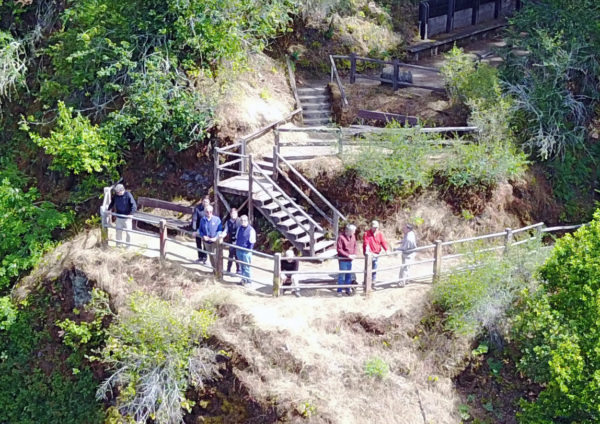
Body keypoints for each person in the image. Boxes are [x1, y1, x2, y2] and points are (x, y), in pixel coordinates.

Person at [363, 220, 390, 284]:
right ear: (371, 227)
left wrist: (386, 250)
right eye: (374, 227)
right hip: (369, 254)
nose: (376, 228)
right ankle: (366, 282)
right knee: (368, 268)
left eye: (377, 227)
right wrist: (368, 252)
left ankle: (373, 280)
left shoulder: (379, 234)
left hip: (376, 253)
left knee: (374, 267)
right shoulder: (367, 234)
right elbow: (366, 243)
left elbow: (383, 242)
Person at [198, 205, 223, 269]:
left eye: (210, 211)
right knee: (211, 257)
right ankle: (214, 270)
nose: (209, 213)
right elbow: (200, 230)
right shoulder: (202, 220)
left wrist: (215, 237)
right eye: (207, 212)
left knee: (215, 256)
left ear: (212, 212)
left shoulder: (217, 220)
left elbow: (220, 230)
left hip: (214, 241)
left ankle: (218, 271)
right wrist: (203, 236)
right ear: (205, 212)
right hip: (206, 242)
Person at [336, 224, 357, 296]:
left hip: (350, 260)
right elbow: (339, 249)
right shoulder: (341, 237)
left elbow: (355, 245)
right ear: (349, 231)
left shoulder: (353, 236)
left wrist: (354, 254)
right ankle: (339, 291)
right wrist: (348, 255)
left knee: (349, 275)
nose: (354, 233)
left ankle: (348, 290)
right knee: (342, 275)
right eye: (353, 231)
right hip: (343, 260)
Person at [235, 215, 256, 285]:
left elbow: (252, 242)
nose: (243, 222)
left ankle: (249, 281)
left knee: (247, 267)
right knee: (242, 266)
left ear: (248, 221)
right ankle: (244, 280)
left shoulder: (251, 230)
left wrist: (248, 251)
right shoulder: (239, 228)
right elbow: (236, 237)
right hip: (239, 250)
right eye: (242, 220)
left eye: (245, 220)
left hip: (246, 251)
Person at [221, 208, 241, 274]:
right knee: (230, 256)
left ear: (237, 214)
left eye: (235, 213)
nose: (233, 215)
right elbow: (225, 231)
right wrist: (221, 235)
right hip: (231, 242)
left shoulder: (240, 221)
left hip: (238, 242)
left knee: (238, 256)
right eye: (232, 213)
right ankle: (228, 269)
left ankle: (238, 270)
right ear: (230, 214)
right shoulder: (228, 222)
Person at [191, 196, 211, 263]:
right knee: (198, 243)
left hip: (207, 230)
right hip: (198, 229)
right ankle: (200, 257)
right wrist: (194, 230)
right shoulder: (197, 209)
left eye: (207, 202)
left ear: (209, 202)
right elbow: (194, 220)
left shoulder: (210, 209)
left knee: (206, 244)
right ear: (202, 201)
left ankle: (205, 258)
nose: (205, 203)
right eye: (204, 201)